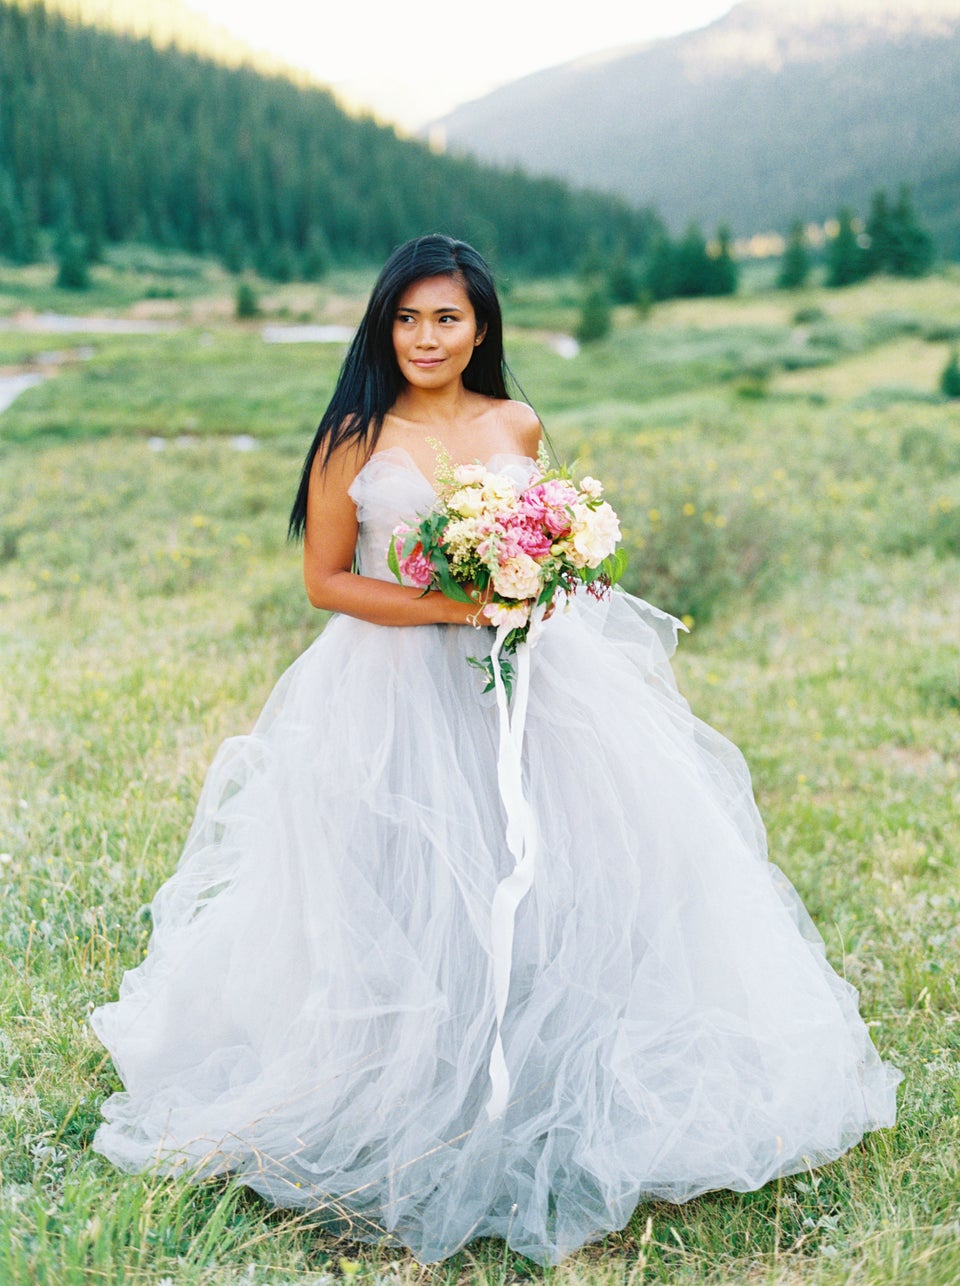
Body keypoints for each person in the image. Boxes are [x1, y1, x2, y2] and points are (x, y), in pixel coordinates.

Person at [90, 234, 900, 1266]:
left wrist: (538, 579)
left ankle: (550, 1072)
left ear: (482, 326)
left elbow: (545, 530)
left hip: (534, 676)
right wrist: (448, 603)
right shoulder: (354, 432)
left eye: (448, 318)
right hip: (390, 684)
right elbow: (327, 581)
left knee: (572, 863)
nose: (427, 338)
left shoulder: (516, 420)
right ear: (385, 325)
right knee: (409, 872)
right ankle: (409, 1077)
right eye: (408, 318)